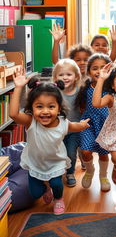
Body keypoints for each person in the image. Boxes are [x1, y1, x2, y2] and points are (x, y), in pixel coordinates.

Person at [9, 70, 89, 215]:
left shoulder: (63, 123)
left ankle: (58, 199)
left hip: (55, 162)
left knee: (57, 184)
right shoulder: (30, 121)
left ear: (59, 108)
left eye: (51, 107)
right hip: (35, 162)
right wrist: (18, 87)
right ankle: (46, 188)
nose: (45, 111)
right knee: (35, 193)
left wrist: (83, 125)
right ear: (32, 108)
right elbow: (13, 114)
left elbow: (75, 126)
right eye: (39, 107)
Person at [76, 53, 112, 192]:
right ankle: (90, 171)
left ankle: (103, 176)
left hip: (105, 124)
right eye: (95, 68)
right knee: (85, 151)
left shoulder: (111, 89)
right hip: (88, 123)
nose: (99, 71)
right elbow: (82, 105)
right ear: (89, 71)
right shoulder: (86, 87)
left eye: (103, 67)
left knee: (103, 153)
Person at [52, 58, 83, 187]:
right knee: (58, 153)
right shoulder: (54, 92)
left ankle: (70, 173)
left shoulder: (79, 91)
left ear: (76, 76)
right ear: (55, 78)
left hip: (74, 129)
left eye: (69, 74)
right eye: (61, 75)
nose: (65, 77)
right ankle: (57, 173)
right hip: (57, 129)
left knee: (71, 153)